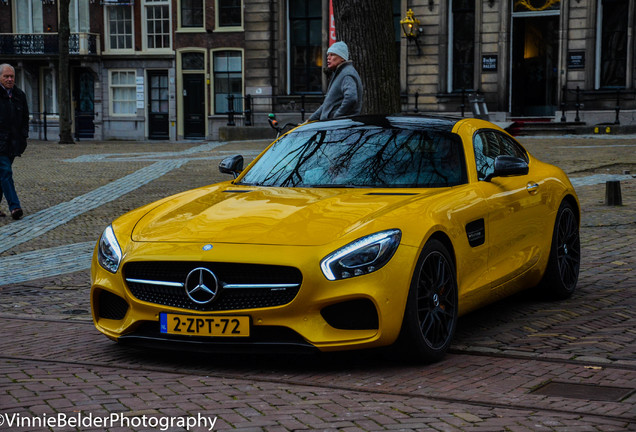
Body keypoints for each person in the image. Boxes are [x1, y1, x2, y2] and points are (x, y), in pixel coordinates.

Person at [0, 63, 29, 220]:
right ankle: (15, 206)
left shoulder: (19, 95)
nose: (9, 79)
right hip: (0, 143)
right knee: (5, 172)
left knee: (2, 175)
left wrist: (23, 136)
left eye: (11, 76)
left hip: (13, 143)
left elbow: (25, 118)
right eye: (6, 76)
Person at [309, 41, 363, 121]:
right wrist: (309, 120)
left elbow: (351, 98)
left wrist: (336, 117)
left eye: (332, 54)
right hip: (334, 126)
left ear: (342, 58)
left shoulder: (347, 74)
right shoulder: (340, 74)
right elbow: (327, 105)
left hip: (340, 127)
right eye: (328, 55)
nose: (328, 57)